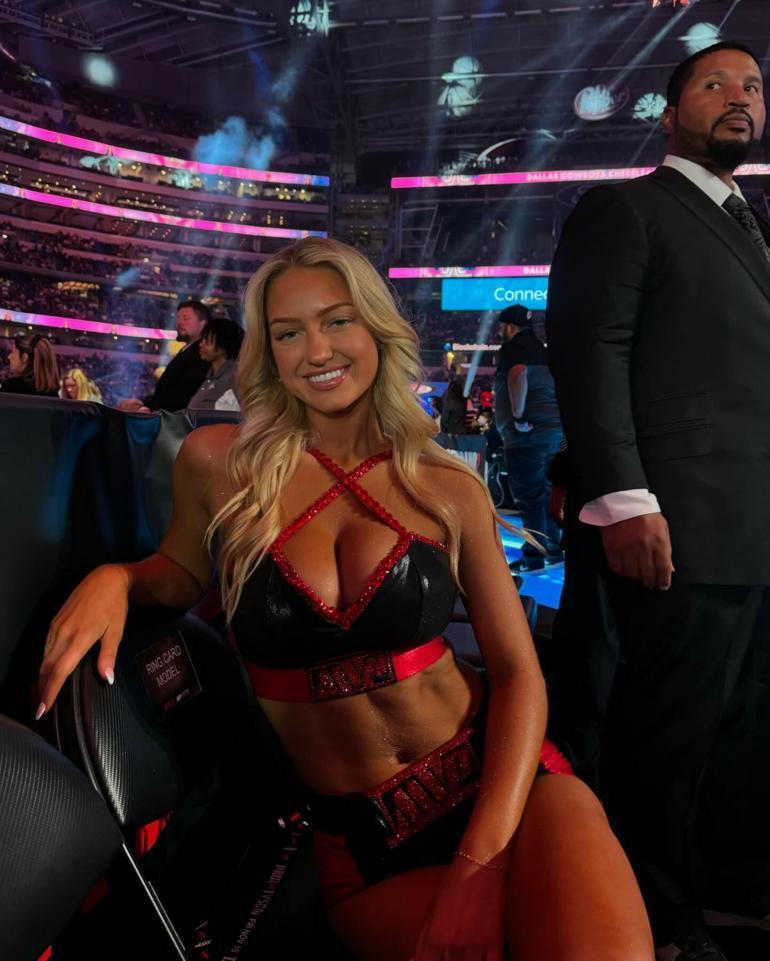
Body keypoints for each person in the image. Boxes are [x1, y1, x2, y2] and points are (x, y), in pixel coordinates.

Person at [38, 238, 653, 961]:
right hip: (361, 840)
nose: (317, 350)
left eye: (337, 321)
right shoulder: (220, 464)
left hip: (503, 789)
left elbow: (519, 674)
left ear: (375, 329)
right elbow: (179, 571)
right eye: (288, 332)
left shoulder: (444, 485)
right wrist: (118, 579)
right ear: (266, 352)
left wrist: (480, 862)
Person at [547, 42, 770, 961]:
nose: (739, 97)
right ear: (670, 114)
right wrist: (624, 498)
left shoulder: (750, 225)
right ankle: (652, 914)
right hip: (681, 521)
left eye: (752, 86)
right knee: (667, 733)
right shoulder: (626, 208)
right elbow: (590, 350)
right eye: (715, 83)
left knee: (743, 727)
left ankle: (727, 893)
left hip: (753, 523)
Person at [493, 305, 563, 573]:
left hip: (526, 437)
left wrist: (519, 418)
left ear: (509, 326)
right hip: (552, 434)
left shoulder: (513, 349)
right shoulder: (542, 350)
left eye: (501, 327)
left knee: (529, 497)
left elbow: (518, 373)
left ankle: (533, 558)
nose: (500, 331)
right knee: (545, 495)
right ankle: (554, 551)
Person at [118, 300, 210, 412]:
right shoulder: (187, 350)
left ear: (202, 323)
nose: (179, 322)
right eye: (178, 318)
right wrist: (142, 404)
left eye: (186, 318)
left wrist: (146, 408)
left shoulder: (200, 355)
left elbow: (181, 395)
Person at [187, 316, 244, 412]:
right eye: (202, 340)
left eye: (207, 341)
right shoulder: (210, 376)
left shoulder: (234, 377)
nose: (201, 344)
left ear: (223, 344)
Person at [1, 333, 60, 397]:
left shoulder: (10, 388)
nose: (9, 357)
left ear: (24, 357)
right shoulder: (53, 394)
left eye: (12, 352)